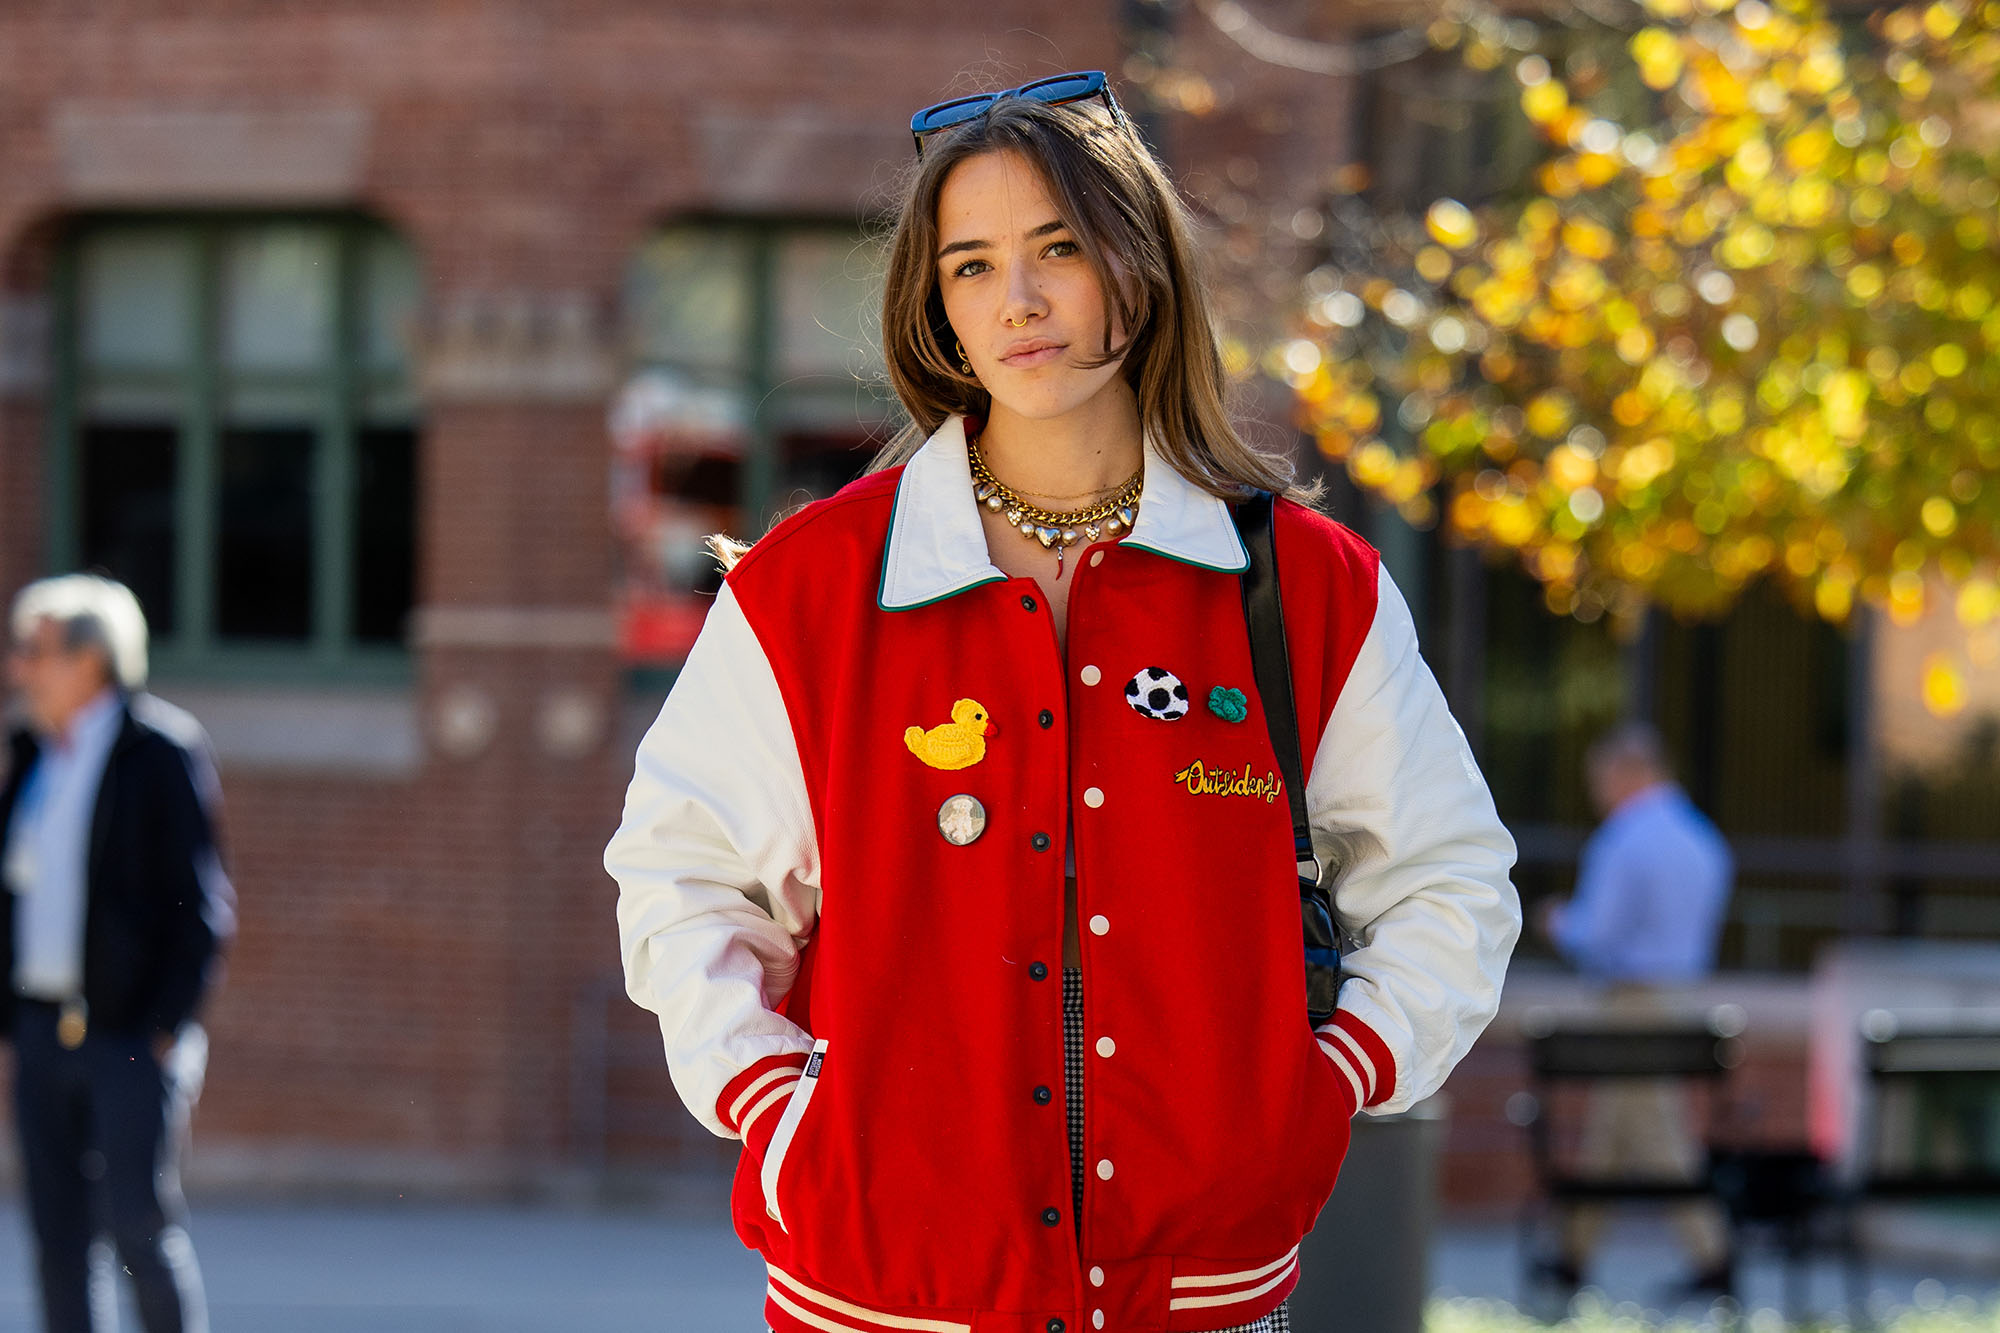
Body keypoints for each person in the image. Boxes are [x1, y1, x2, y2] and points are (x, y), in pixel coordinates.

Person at [606, 71, 1520, 1333]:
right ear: (935, 307)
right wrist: (779, 1111)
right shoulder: (809, 590)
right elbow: (681, 880)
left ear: (1137, 267)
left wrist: (1316, 1086)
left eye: (1059, 250)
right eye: (971, 266)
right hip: (885, 1293)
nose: (1018, 301)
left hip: (1197, 1294)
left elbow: (1448, 880)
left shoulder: (1304, 589)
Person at [1, 574, 233, 1333]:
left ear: (90, 659)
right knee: (57, 1240)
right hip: (43, 1030)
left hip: (128, 1036)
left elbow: (199, 903)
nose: (18, 667)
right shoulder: (33, 754)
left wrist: (165, 1025)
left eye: (35, 650)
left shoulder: (158, 751)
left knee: (138, 1228)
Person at [1538, 719, 1735, 1297]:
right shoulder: (1702, 838)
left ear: (1627, 773)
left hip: (1633, 1000)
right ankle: (1572, 1257)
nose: (1598, 795)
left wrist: (1557, 922)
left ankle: (1715, 1256)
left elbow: (1596, 932)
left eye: (1600, 781)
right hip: (1682, 997)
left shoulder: (1624, 839)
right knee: (1613, 1132)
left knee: (1655, 1132)